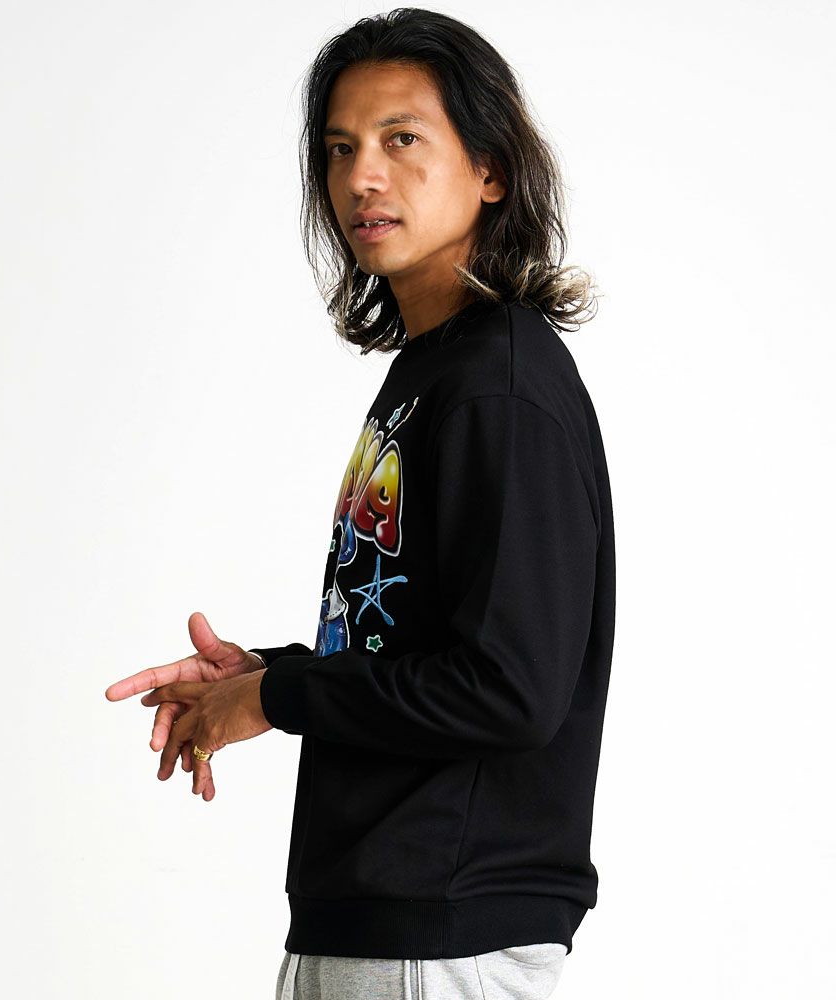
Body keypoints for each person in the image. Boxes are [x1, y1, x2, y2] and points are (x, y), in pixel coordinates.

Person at [105, 9, 615, 999]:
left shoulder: (499, 389)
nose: (361, 178)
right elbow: (425, 645)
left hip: (438, 932)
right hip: (381, 920)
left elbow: (509, 687)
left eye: (401, 139)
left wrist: (280, 699)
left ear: (491, 169)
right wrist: (270, 675)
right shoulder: (435, 372)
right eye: (339, 149)